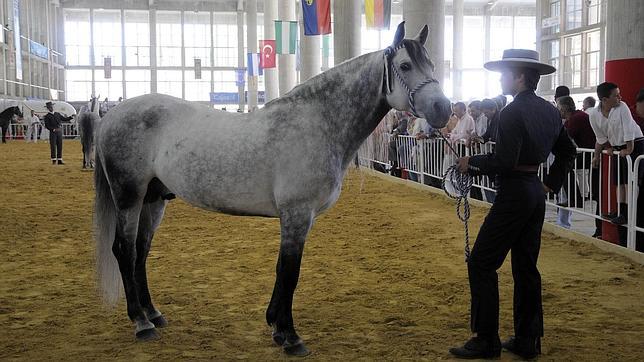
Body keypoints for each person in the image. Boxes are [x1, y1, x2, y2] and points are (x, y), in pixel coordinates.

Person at [449, 49, 577, 360]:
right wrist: (551, 183)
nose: (502, 78)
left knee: (481, 262)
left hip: (514, 194)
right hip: (534, 192)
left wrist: (472, 163)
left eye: (505, 73)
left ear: (519, 76)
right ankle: (527, 339)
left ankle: (486, 339)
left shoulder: (510, 113)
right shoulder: (549, 111)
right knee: (526, 267)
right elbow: (568, 151)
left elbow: (504, 161)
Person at [588, 82, 644, 236]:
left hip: (635, 143)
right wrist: (601, 152)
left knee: (630, 181)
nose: (620, 97)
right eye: (616, 95)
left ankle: (628, 212)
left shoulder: (623, 107)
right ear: (604, 99)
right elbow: (600, 136)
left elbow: (628, 129)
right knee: (618, 180)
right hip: (619, 147)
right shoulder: (593, 114)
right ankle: (620, 211)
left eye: (619, 93)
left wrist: (629, 149)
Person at [557, 95, 602, 237]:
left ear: (564, 108)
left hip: (589, 154)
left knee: (563, 166)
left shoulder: (576, 118)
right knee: (564, 167)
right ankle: (575, 197)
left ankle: (575, 198)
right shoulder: (576, 117)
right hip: (586, 152)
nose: (558, 110)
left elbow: (565, 135)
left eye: (559, 107)